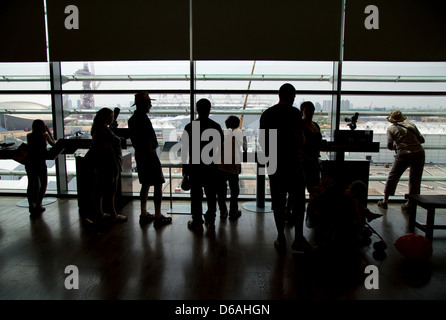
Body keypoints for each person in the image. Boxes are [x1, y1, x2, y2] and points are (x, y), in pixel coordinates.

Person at [259, 83, 312, 252]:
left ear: (279, 95)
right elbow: (300, 139)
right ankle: (298, 238)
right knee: (297, 201)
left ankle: (281, 237)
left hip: (275, 162)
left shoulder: (267, 114)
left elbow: (262, 141)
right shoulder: (294, 113)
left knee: (278, 202)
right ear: (292, 96)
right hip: (293, 162)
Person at [128, 92, 172, 228]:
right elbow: (147, 140)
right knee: (158, 184)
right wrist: (151, 155)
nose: (150, 105)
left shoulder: (132, 119)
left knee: (145, 185)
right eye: (148, 103)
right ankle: (158, 216)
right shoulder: (144, 119)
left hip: (139, 156)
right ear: (143, 105)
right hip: (149, 155)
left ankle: (143, 213)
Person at [182, 98, 224, 232]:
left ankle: (197, 223)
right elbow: (220, 148)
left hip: (195, 167)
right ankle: (211, 221)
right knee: (211, 195)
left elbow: (185, 150)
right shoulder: (216, 126)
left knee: (196, 195)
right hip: (211, 167)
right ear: (209, 109)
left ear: (196, 110)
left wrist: (185, 169)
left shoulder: (189, 127)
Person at [377, 110, 425, 211]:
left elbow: (390, 145)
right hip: (419, 153)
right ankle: (410, 204)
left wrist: (397, 145)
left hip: (404, 154)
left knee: (393, 177)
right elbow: (422, 140)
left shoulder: (391, 129)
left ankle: (385, 201)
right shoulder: (411, 125)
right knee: (415, 180)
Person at [89, 107, 127, 222]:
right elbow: (108, 149)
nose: (112, 118)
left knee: (100, 189)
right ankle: (113, 215)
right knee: (111, 191)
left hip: (101, 164)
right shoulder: (104, 131)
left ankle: (100, 213)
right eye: (111, 116)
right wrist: (115, 165)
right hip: (109, 165)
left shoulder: (99, 129)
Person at [216, 115, 247, 220]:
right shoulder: (241, 134)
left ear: (226, 124)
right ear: (238, 124)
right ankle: (233, 211)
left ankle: (223, 212)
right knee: (234, 190)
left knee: (221, 191)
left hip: (221, 165)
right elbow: (245, 148)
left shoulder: (221, 134)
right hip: (234, 166)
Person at [26, 119, 56, 217]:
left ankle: (31, 206)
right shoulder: (45, 135)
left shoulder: (29, 136)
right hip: (40, 163)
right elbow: (53, 144)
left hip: (30, 163)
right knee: (43, 184)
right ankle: (38, 205)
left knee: (31, 184)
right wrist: (49, 132)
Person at [300, 101, 322, 196]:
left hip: (312, 161)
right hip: (304, 161)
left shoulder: (315, 125)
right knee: (300, 189)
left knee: (313, 188)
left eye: (311, 110)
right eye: (307, 111)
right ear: (302, 112)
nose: (310, 113)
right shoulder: (301, 125)